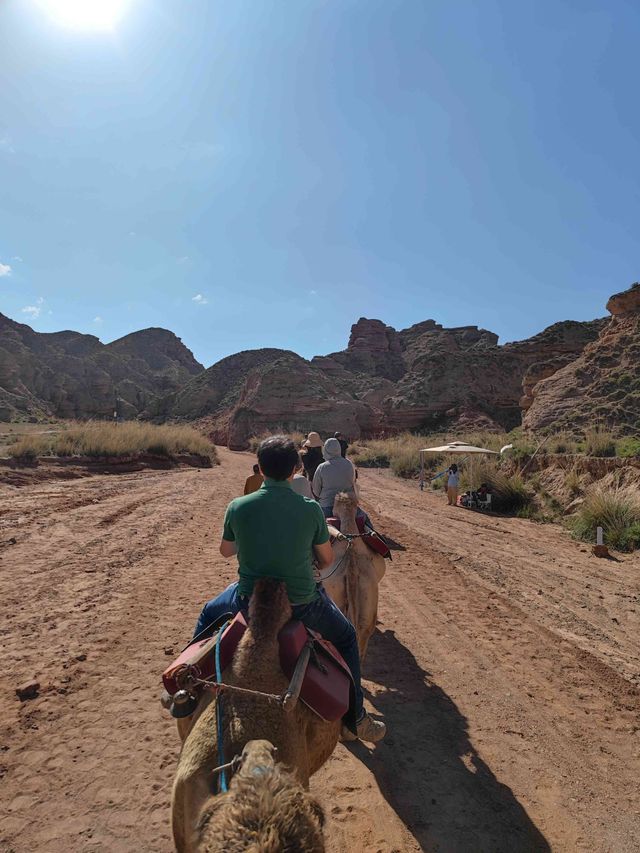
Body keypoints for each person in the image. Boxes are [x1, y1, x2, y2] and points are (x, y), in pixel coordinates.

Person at [192, 435, 386, 743]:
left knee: (207, 614)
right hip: (302, 603)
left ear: (261, 468)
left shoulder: (238, 506)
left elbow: (226, 551)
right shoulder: (310, 509)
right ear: (295, 469)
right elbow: (324, 562)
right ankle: (355, 718)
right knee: (348, 636)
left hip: (247, 600)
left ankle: (189, 688)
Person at [312, 437, 356, 518]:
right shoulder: (349, 464)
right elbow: (353, 483)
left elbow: (316, 491)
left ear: (325, 450)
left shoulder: (322, 467)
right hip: (347, 505)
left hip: (327, 506)